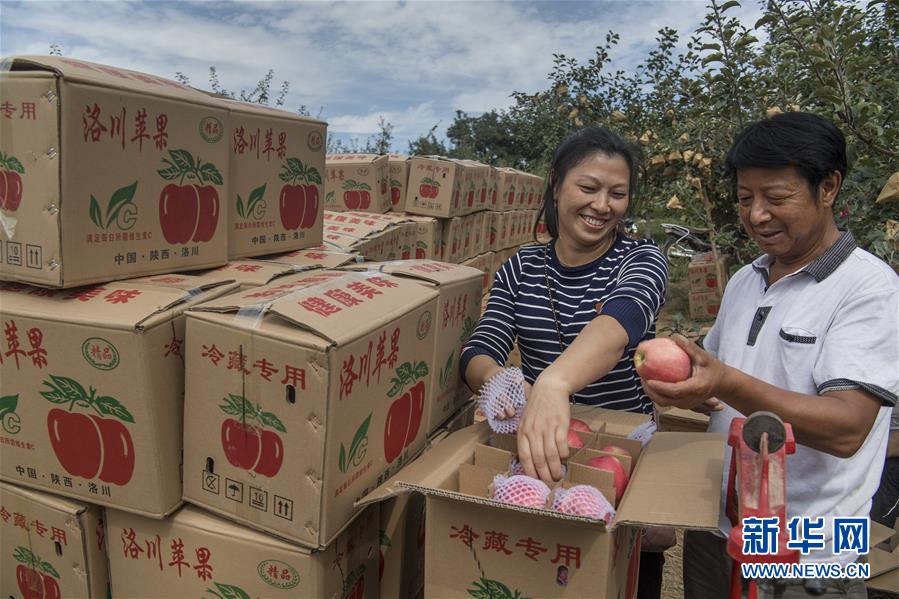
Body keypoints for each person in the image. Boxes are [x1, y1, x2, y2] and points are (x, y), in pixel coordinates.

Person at [641, 112, 898, 599]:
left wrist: (723, 382)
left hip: (811, 549)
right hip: (720, 526)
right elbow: (718, 385)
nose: (756, 214)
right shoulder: (745, 280)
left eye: (776, 198)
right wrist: (690, 390)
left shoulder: (869, 290)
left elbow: (847, 429)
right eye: (745, 198)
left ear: (828, 188)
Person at [460, 125, 671, 599]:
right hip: (540, 455)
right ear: (556, 184)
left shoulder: (642, 260)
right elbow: (479, 348)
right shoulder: (521, 268)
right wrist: (501, 380)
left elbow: (623, 321)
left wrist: (553, 384)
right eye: (589, 187)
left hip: (619, 454)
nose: (603, 206)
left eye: (618, 194)